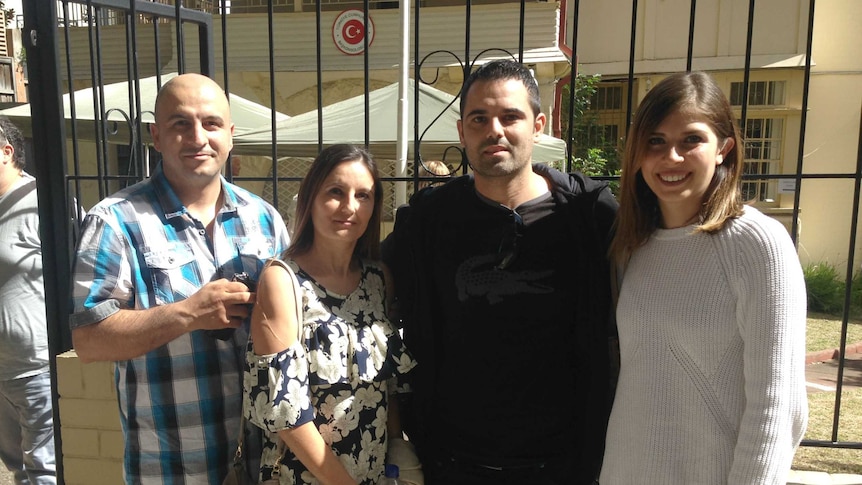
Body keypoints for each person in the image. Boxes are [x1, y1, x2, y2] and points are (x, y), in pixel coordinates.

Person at [383, 59, 618, 484]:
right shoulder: (427, 223)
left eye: (511, 116)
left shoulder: (591, 218)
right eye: (479, 118)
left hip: (564, 465)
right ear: (461, 131)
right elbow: (358, 278)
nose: (495, 130)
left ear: (538, 125)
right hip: (452, 464)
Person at [70, 73, 290, 484]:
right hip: (171, 468)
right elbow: (88, 339)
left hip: (264, 462)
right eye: (180, 124)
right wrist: (187, 314)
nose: (197, 137)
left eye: (210, 123)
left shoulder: (265, 220)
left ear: (230, 134)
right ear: (156, 136)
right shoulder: (115, 222)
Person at [600, 71, 808, 484]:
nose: (671, 157)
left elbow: (777, 403)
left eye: (690, 140)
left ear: (723, 149)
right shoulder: (632, 244)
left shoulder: (756, 242)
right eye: (655, 141)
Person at [244, 143, 417, 484]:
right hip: (304, 476)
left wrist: (398, 449)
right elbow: (283, 410)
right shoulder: (282, 280)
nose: (349, 207)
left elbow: (386, 384)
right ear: (310, 198)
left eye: (363, 195)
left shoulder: (378, 278)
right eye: (336, 192)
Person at [0, 117, 57, 484]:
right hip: (2, 372)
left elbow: (79, 270)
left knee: (43, 473)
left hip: (35, 367)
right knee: (16, 469)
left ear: (6, 153)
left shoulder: (40, 203)